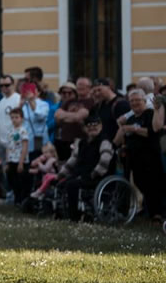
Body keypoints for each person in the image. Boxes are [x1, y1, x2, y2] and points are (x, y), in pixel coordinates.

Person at [115, 89, 163, 222]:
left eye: (137, 100)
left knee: (152, 185)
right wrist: (121, 131)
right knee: (139, 183)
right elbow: (119, 140)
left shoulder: (149, 113)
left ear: (144, 101)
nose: (135, 103)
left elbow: (151, 132)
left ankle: (156, 215)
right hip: (133, 158)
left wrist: (132, 129)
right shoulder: (130, 118)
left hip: (150, 156)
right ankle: (144, 211)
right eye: (132, 101)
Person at [56, 116, 114, 221]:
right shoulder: (82, 142)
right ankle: (62, 213)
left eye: (95, 125)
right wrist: (61, 174)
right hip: (81, 174)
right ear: (86, 128)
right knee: (62, 183)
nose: (92, 128)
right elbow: (72, 160)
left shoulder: (104, 141)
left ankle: (74, 217)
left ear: (100, 126)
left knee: (72, 185)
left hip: (97, 176)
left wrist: (93, 174)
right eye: (89, 126)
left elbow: (105, 160)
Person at [4, 107, 31, 204]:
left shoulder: (23, 131)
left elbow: (24, 147)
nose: (14, 120)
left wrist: (21, 162)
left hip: (20, 160)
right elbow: (8, 147)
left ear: (22, 118)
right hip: (12, 160)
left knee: (21, 181)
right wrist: (7, 162)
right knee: (13, 181)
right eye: (12, 118)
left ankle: (22, 200)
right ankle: (16, 199)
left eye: (17, 117)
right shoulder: (10, 131)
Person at [0, 75, 20, 169]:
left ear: (13, 85)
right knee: (4, 171)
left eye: (7, 85)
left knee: (13, 170)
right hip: (1, 141)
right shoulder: (1, 101)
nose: (4, 87)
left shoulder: (17, 99)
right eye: (1, 85)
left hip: (13, 141)